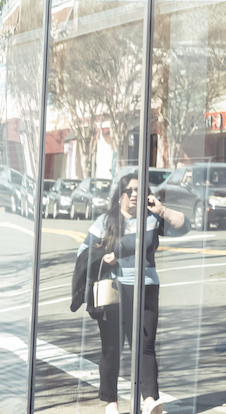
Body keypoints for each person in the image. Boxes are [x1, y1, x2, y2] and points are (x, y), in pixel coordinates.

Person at [80, 172, 186, 414]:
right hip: (113, 291)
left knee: (145, 346)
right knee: (111, 348)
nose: (135, 194)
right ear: (120, 196)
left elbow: (182, 226)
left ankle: (149, 400)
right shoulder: (104, 222)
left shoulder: (149, 220)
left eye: (140, 190)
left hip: (145, 287)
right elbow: (84, 252)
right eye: (130, 190)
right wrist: (102, 256)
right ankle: (111, 404)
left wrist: (161, 210)